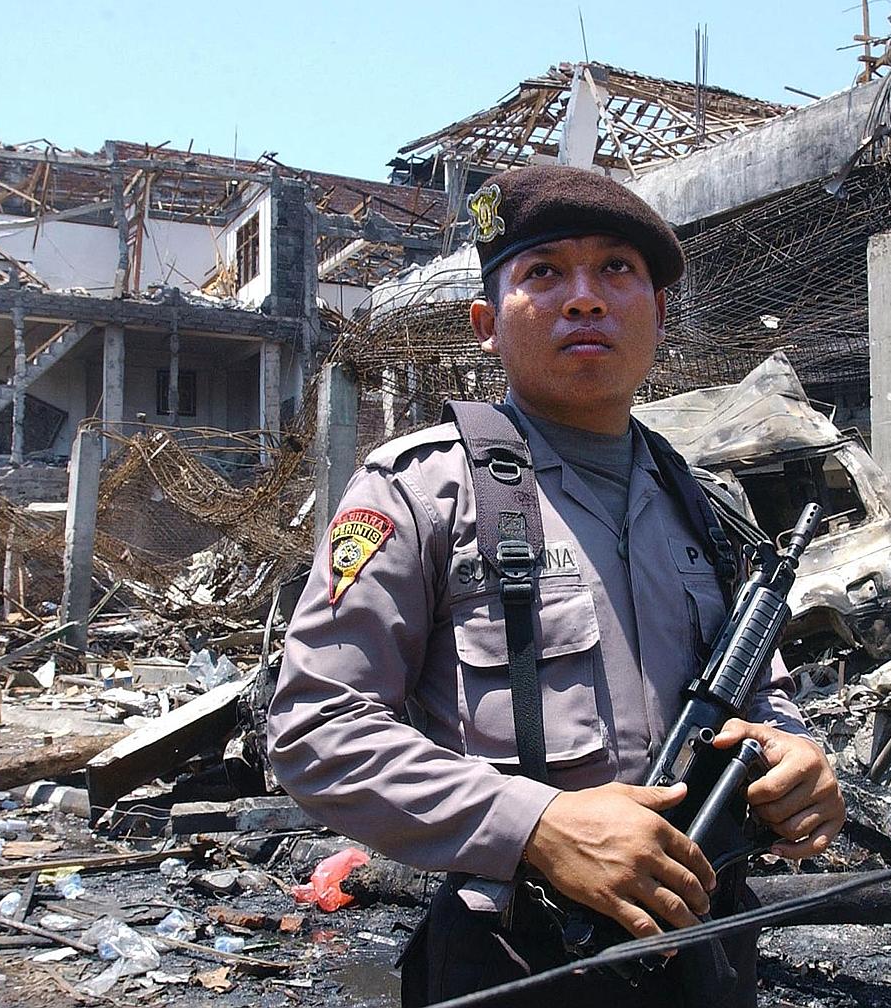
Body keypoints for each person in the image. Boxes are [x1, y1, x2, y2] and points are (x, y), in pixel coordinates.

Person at [267, 165, 844, 1007]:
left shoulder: (706, 506)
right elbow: (316, 727)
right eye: (544, 273)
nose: (584, 298)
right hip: (519, 954)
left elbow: (760, 691)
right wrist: (534, 825)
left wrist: (793, 753)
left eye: (617, 269)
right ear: (486, 325)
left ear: (657, 312)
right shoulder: (423, 490)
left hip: (711, 942)